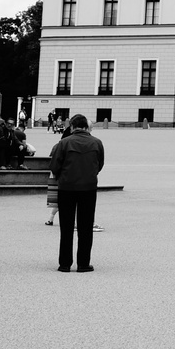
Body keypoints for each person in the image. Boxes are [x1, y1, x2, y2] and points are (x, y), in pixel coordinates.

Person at [49, 114, 105, 272]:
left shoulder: (64, 143)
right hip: (88, 187)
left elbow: (54, 166)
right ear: (86, 127)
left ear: (72, 127)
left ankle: (65, 263)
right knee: (86, 226)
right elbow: (100, 164)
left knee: (66, 227)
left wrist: (62, 176)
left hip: (67, 187)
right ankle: (83, 263)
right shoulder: (97, 143)